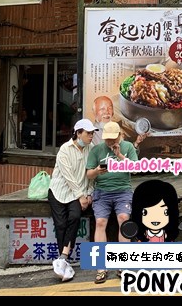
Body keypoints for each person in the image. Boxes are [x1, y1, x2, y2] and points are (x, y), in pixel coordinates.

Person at [86, 121, 138, 284]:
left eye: (112, 139)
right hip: (102, 191)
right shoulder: (96, 150)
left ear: (119, 136)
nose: (109, 142)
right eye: (107, 139)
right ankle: (101, 267)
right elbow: (88, 174)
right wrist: (97, 171)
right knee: (100, 222)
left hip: (123, 190)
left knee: (123, 218)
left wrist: (120, 156)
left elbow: (136, 169)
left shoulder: (128, 147)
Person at [48, 119, 96, 281]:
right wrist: (81, 196)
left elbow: (91, 175)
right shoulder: (64, 150)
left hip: (79, 193)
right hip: (60, 191)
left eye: (92, 133)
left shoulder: (92, 149)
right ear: (78, 133)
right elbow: (68, 177)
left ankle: (62, 258)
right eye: (88, 133)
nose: (91, 136)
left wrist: (89, 193)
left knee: (74, 217)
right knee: (60, 224)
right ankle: (64, 259)